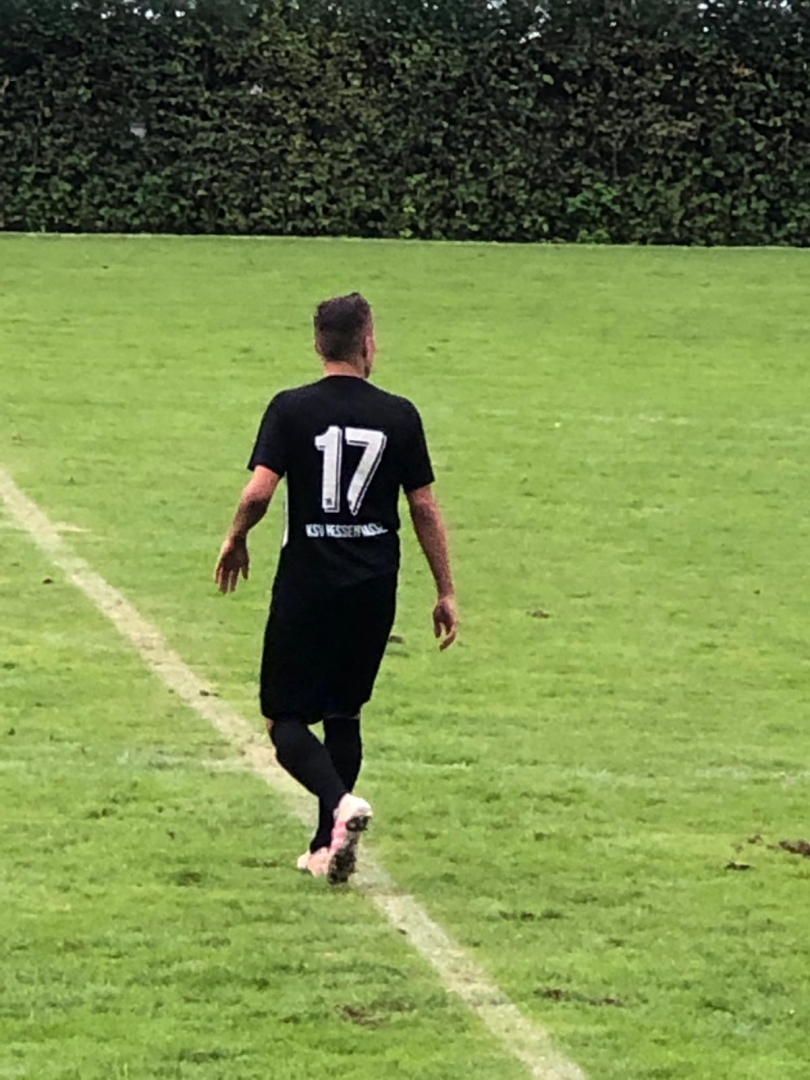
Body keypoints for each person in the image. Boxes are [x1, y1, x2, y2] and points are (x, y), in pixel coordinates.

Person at [214, 293, 458, 885]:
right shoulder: (400, 415)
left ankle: (339, 806)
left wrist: (236, 537)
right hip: (373, 585)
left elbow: (258, 492)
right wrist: (445, 590)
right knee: (344, 712)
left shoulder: (291, 408)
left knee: (283, 718)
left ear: (317, 344)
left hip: (309, 580)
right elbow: (424, 507)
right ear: (367, 342)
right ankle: (326, 845)